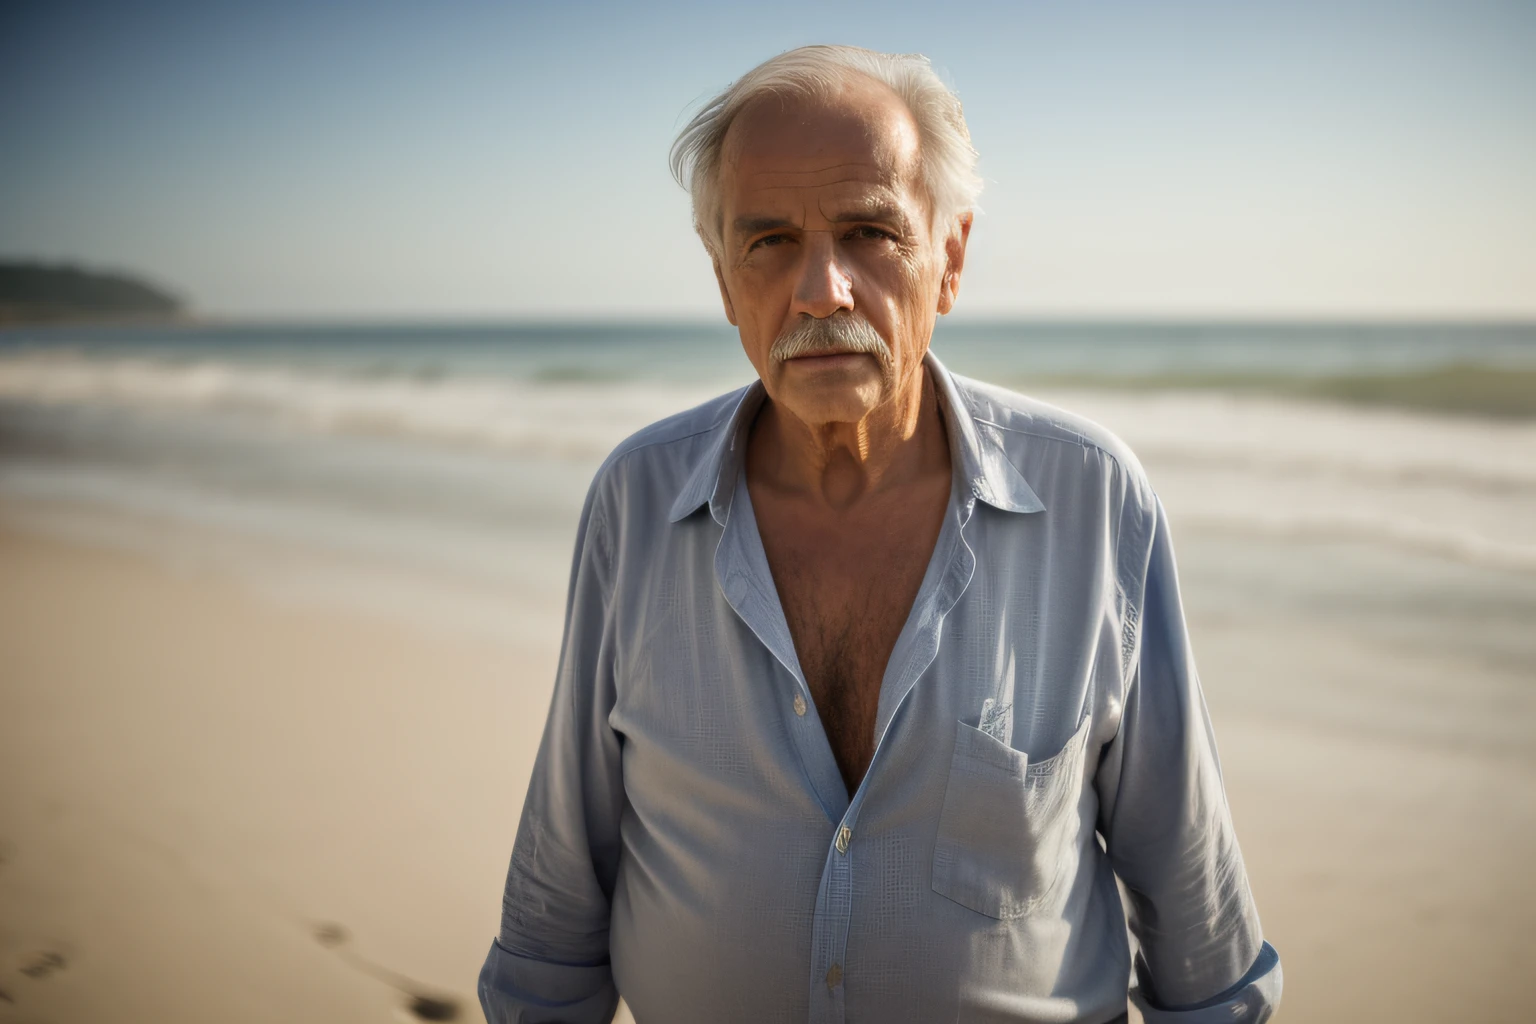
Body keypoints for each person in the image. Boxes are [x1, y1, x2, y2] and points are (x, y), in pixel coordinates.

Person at [478, 44, 1281, 1024]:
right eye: (769, 240)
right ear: (725, 281)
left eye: (869, 231)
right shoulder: (637, 505)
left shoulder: (1093, 501)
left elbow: (1200, 936)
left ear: (950, 258)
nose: (823, 289)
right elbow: (557, 915)